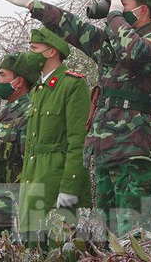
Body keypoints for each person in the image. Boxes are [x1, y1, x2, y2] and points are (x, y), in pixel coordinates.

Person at [0, 0, 151, 237]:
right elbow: (74, 28)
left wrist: (113, 17)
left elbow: (133, 52)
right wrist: (33, 5)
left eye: (124, 4)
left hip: (135, 151)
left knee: (133, 235)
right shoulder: (111, 43)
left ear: (143, 9)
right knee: (107, 238)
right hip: (105, 151)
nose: (118, 9)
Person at [16, 28, 91, 248]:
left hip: (56, 182)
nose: (30, 54)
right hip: (33, 182)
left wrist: (69, 187)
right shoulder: (38, 90)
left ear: (51, 51)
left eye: (34, 48)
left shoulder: (72, 85)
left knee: (57, 248)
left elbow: (78, 142)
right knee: (32, 247)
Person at [0, 51, 42, 242]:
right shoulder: (7, 112)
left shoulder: (29, 113)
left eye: (2, 74)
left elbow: (31, 167)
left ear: (19, 82)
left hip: (13, 215)